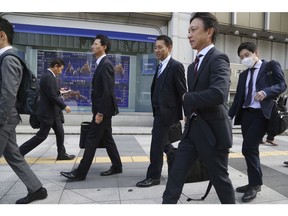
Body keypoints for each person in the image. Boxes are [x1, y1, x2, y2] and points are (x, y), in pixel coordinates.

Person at [162, 12, 235, 204]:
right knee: (176, 175)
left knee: (220, 180)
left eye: (194, 30)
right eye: (188, 31)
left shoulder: (218, 58)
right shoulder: (191, 66)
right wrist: (188, 114)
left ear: (209, 32)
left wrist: (187, 97)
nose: (189, 35)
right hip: (192, 132)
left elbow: (219, 94)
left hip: (212, 134)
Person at [229, 41, 286, 202]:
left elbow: (282, 85)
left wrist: (266, 91)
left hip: (261, 114)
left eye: (247, 55)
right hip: (246, 114)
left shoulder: (270, 66)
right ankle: (254, 182)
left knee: (249, 147)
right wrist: (229, 115)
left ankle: (255, 185)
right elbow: (238, 99)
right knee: (250, 149)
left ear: (256, 53)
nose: (244, 59)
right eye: (241, 57)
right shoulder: (244, 75)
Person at [60, 34, 122, 181]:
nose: (92, 46)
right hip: (105, 109)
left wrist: (100, 112)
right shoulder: (101, 63)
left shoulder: (105, 64)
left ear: (103, 47)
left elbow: (107, 90)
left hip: (104, 110)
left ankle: (80, 173)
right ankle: (117, 166)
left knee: (91, 140)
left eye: (95, 44)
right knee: (107, 139)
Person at [0, 17, 47, 204]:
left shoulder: (8, 60)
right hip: (7, 117)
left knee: (14, 156)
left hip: (4, 118)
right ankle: (37, 189)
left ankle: (37, 190)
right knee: (14, 156)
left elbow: (8, 95)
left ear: (2, 35)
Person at [136, 35, 187, 188]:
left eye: (160, 47)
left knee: (156, 146)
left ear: (169, 47)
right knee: (163, 143)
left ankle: (154, 177)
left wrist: (186, 115)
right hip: (159, 113)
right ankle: (173, 158)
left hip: (168, 114)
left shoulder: (175, 66)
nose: (156, 50)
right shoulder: (160, 66)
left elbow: (182, 92)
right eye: (155, 47)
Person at [19, 58, 75, 160]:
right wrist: (64, 106)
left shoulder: (49, 76)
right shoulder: (48, 77)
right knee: (41, 136)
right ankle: (20, 151)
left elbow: (50, 92)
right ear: (56, 66)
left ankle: (61, 154)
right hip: (47, 113)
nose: (60, 72)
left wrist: (59, 91)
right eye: (60, 69)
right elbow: (51, 96)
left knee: (60, 133)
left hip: (53, 113)